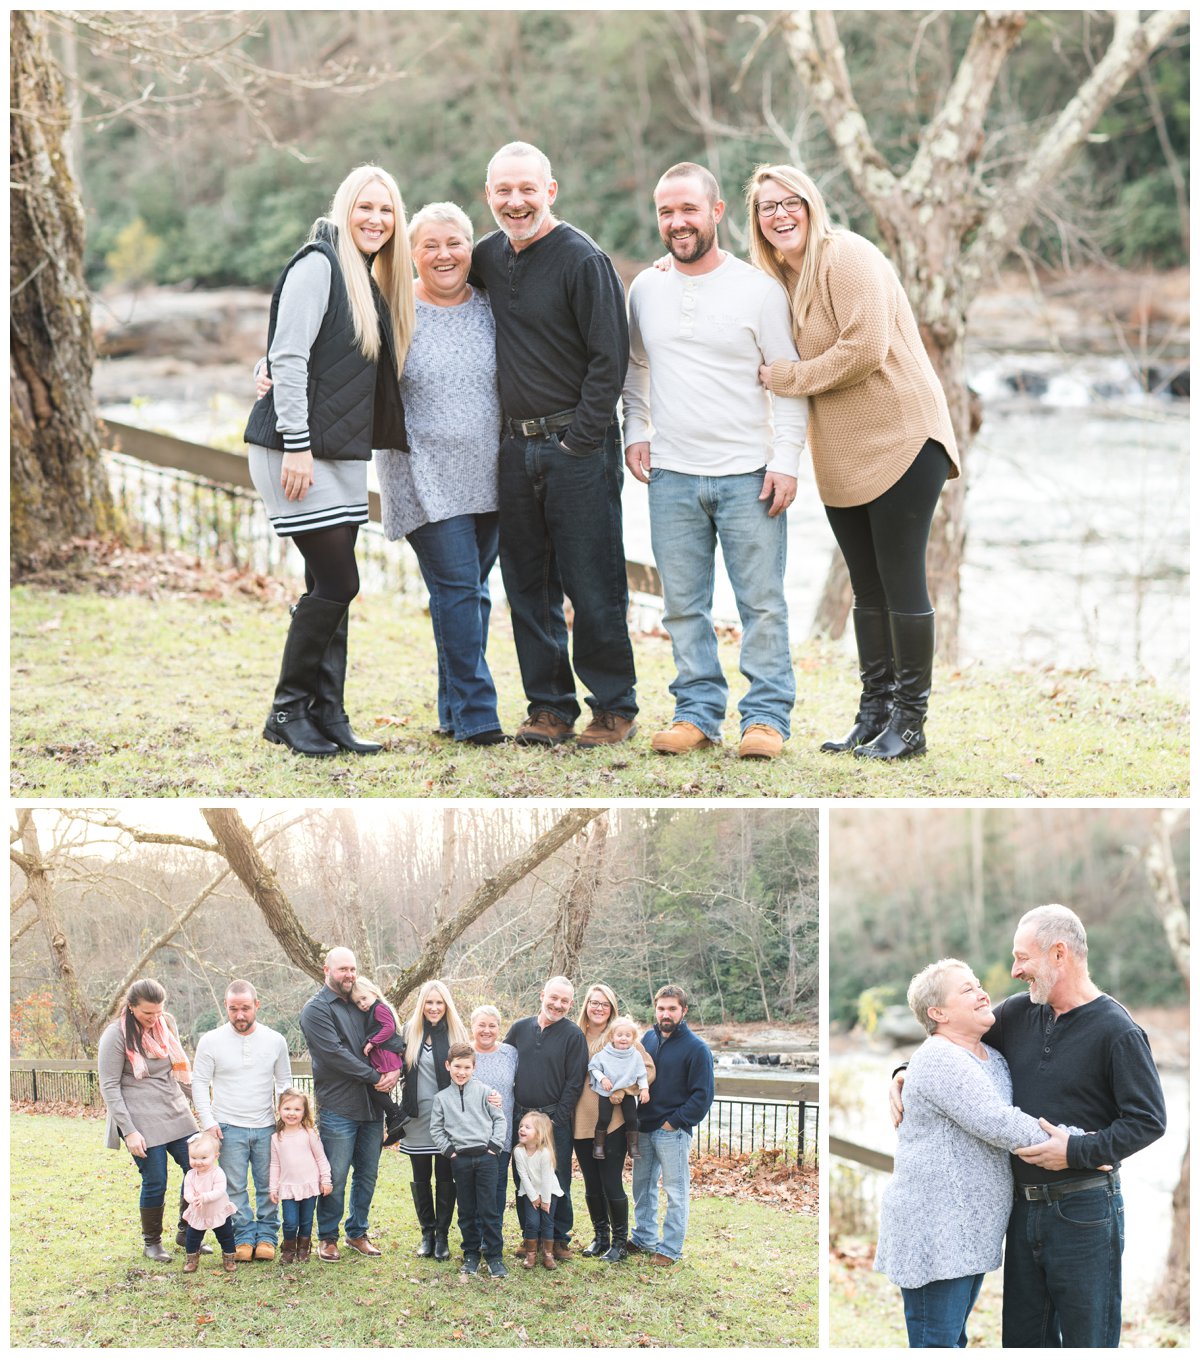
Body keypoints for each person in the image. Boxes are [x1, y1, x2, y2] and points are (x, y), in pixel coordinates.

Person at [749, 163, 960, 760]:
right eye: (768, 207)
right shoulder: (777, 280)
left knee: (900, 582)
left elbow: (864, 349)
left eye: (791, 202)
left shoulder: (847, 255)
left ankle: (911, 725)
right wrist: (675, 271)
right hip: (841, 453)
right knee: (866, 590)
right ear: (757, 221)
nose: (781, 214)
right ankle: (874, 716)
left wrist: (789, 378)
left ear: (811, 206)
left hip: (901, 435)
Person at [890, 905, 1168, 1347]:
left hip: (1084, 1212)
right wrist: (905, 1071)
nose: (1015, 970)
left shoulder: (1117, 1031)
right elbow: (953, 1046)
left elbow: (1149, 1121)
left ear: (1059, 954)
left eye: (1023, 958)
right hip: (1021, 1213)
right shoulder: (1019, 1014)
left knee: (1087, 1342)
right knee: (1023, 1342)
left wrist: (1077, 1152)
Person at [624, 163, 808, 761]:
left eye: (689, 210)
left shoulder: (759, 290)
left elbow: (788, 381)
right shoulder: (646, 288)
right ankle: (696, 713)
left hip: (749, 475)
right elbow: (636, 368)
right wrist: (636, 430)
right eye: (666, 212)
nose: (677, 223)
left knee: (762, 605)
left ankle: (766, 719)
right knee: (683, 606)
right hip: (672, 473)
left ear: (718, 212)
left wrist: (786, 460)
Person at [244, 163, 414, 756]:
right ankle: (286, 711)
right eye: (365, 207)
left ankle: (328, 714)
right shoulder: (318, 265)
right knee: (342, 579)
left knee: (327, 584)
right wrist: (297, 445)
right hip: (297, 453)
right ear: (345, 208)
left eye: (386, 209)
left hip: (340, 456)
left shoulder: (367, 278)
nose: (376, 219)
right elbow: (285, 357)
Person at [472, 141, 638, 749]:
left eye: (527, 189)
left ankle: (614, 707)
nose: (516, 202)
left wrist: (579, 443)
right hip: (514, 450)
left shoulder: (583, 259)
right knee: (527, 585)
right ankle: (548, 708)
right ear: (488, 196)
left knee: (593, 583)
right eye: (503, 191)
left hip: (577, 446)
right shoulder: (486, 256)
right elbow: (429, 294)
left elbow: (609, 359)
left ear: (551, 190)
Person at [875, 959, 1087, 1348]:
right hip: (936, 1229)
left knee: (954, 1340)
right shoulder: (941, 1057)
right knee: (936, 1345)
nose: (982, 993)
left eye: (978, 984)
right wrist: (1080, 1146)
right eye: (967, 990)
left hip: (968, 1232)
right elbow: (998, 1122)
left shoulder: (992, 1057)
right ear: (938, 1013)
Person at [298, 946, 402, 1261]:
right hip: (339, 1107)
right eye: (343, 969)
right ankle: (327, 1237)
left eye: (353, 969)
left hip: (372, 1108)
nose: (349, 975)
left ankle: (357, 1232)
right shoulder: (316, 1010)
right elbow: (334, 1055)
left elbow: (389, 1034)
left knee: (367, 1174)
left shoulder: (363, 1004)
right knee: (336, 1175)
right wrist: (374, 1076)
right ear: (326, 970)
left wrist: (395, 1067)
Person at [97, 978, 198, 1263]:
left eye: (158, 1012)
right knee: (156, 1179)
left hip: (173, 1107)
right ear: (131, 1008)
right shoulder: (115, 1036)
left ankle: (187, 1229)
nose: (154, 1019)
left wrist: (204, 1103)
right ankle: (152, 1242)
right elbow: (109, 1086)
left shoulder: (166, 1023)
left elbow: (178, 1070)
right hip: (138, 1114)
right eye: (146, 1014)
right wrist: (129, 1131)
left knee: (197, 1168)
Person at [191, 978, 292, 1262]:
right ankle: (244, 1236)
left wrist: (286, 1120)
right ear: (226, 1006)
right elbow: (199, 1083)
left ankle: (268, 1236)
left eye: (246, 1008)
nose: (240, 1015)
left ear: (256, 1005)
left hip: (265, 1125)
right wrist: (209, 1122)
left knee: (267, 1184)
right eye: (234, 1009)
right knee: (233, 1186)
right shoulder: (210, 1041)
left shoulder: (275, 1040)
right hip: (227, 1126)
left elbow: (284, 1082)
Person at [629, 984, 715, 1268]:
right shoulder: (647, 1040)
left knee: (675, 1192)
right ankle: (643, 1237)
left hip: (672, 1132)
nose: (666, 1014)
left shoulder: (697, 1049)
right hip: (643, 1126)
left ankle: (670, 1248)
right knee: (642, 1187)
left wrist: (673, 1122)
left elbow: (703, 1096)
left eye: (672, 1009)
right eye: (661, 1008)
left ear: (684, 1011)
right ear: (655, 1009)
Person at [504, 976, 588, 1259]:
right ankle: (530, 1237)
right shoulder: (519, 1029)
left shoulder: (573, 1035)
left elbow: (574, 1083)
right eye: (554, 998)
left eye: (565, 1001)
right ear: (542, 995)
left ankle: (558, 1238)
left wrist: (557, 1121)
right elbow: (504, 1066)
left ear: (571, 1004)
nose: (558, 1004)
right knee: (523, 1177)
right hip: (522, 1116)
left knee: (557, 1179)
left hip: (554, 1118)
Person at [573, 983, 656, 1263]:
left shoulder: (622, 1037)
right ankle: (600, 1237)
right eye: (594, 1002)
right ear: (586, 1005)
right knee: (591, 1184)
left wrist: (625, 1089)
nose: (598, 1008)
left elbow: (647, 1071)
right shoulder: (575, 1036)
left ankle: (620, 1242)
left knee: (611, 1182)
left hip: (614, 1123)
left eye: (604, 1004)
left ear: (612, 1009)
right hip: (581, 1121)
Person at [396, 979, 470, 1261]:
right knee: (420, 1177)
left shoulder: (456, 1034)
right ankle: (426, 1234)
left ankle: (442, 1236)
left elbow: (468, 1072)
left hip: (447, 1121)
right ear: (422, 1005)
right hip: (416, 1118)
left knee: (445, 1176)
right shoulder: (409, 1032)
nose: (434, 1008)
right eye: (429, 1002)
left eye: (439, 1003)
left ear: (446, 1005)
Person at [429, 1043, 509, 1278]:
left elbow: (500, 1120)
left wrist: (494, 1147)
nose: (461, 1072)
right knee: (466, 1209)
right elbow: (436, 1129)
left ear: (474, 1067)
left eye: (466, 1067)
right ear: (448, 1066)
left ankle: (495, 1257)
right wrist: (450, 1152)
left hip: (486, 1158)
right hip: (460, 1159)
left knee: (489, 1209)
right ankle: (471, 1254)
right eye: (457, 1066)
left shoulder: (486, 1092)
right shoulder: (442, 1098)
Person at [469, 1005, 519, 1234]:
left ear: (500, 1027)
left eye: (492, 1025)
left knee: (498, 1186)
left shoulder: (510, 1053)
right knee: (473, 1187)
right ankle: (474, 1236)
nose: (486, 1030)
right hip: (470, 1134)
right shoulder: (463, 1053)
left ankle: (493, 1236)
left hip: (502, 1134)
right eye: (481, 1025)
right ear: (472, 1026)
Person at [268, 1087, 332, 1264]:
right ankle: (288, 1249)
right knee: (289, 1222)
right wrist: (273, 1187)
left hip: (309, 1186)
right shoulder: (276, 1137)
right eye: (287, 1108)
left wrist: (325, 1180)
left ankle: (303, 1248)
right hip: (288, 1187)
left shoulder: (309, 1134)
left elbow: (321, 1159)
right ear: (279, 1110)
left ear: (304, 1112)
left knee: (306, 1220)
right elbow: (275, 1164)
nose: (291, 1113)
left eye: (297, 1109)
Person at [349, 977, 407, 1145]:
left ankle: (396, 1115)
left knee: (374, 1087)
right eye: (358, 1002)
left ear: (373, 992)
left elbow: (388, 1027)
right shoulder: (371, 1011)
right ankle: (395, 1126)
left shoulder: (379, 1008)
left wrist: (372, 1042)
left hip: (386, 1055)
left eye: (364, 998)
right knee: (378, 1090)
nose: (362, 1004)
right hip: (383, 1055)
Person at [587, 1016, 650, 1160]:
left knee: (632, 1118)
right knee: (604, 1118)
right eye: (619, 1035)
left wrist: (644, 1089)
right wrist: (602, 1078)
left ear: (633, 1038)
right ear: (612, 1037)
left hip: (626, 1091)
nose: (623, 1038)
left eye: (628, 1035)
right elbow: (593, 1068)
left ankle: (632, 1146)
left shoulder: (635, 1055)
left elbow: (642, 1074)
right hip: (606, 1091)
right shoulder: (604, 1054)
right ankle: (598, 1145)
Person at [180, 1131, 239, 1273]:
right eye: (193, 1157)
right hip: (198, 1213)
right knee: (192, 1238)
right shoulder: (190, 1175)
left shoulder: (218, 1173)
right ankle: (191, 1260)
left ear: (215, 1156)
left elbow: (219, 1191)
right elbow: (186, 1192)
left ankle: (229, 1259)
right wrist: (192, 1199)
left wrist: (203, 1197)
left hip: (217, 1212)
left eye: (203, 1158)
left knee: (226, 1236)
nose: (198, 1162)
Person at [512, 1111, 564, 1270]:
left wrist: (546, 1200)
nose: (522, 1129)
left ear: (539, 1133)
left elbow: (547, 1179)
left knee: (547, 1223)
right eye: (521, 1126)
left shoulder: (545, 1153)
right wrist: (534, 1197)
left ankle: (548, 1255)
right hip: (530, 1192)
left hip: (549, 1192)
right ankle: (531, 1254)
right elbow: (523, 1176)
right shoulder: (518, 1151)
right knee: (532, 1223)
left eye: (527, 1127)